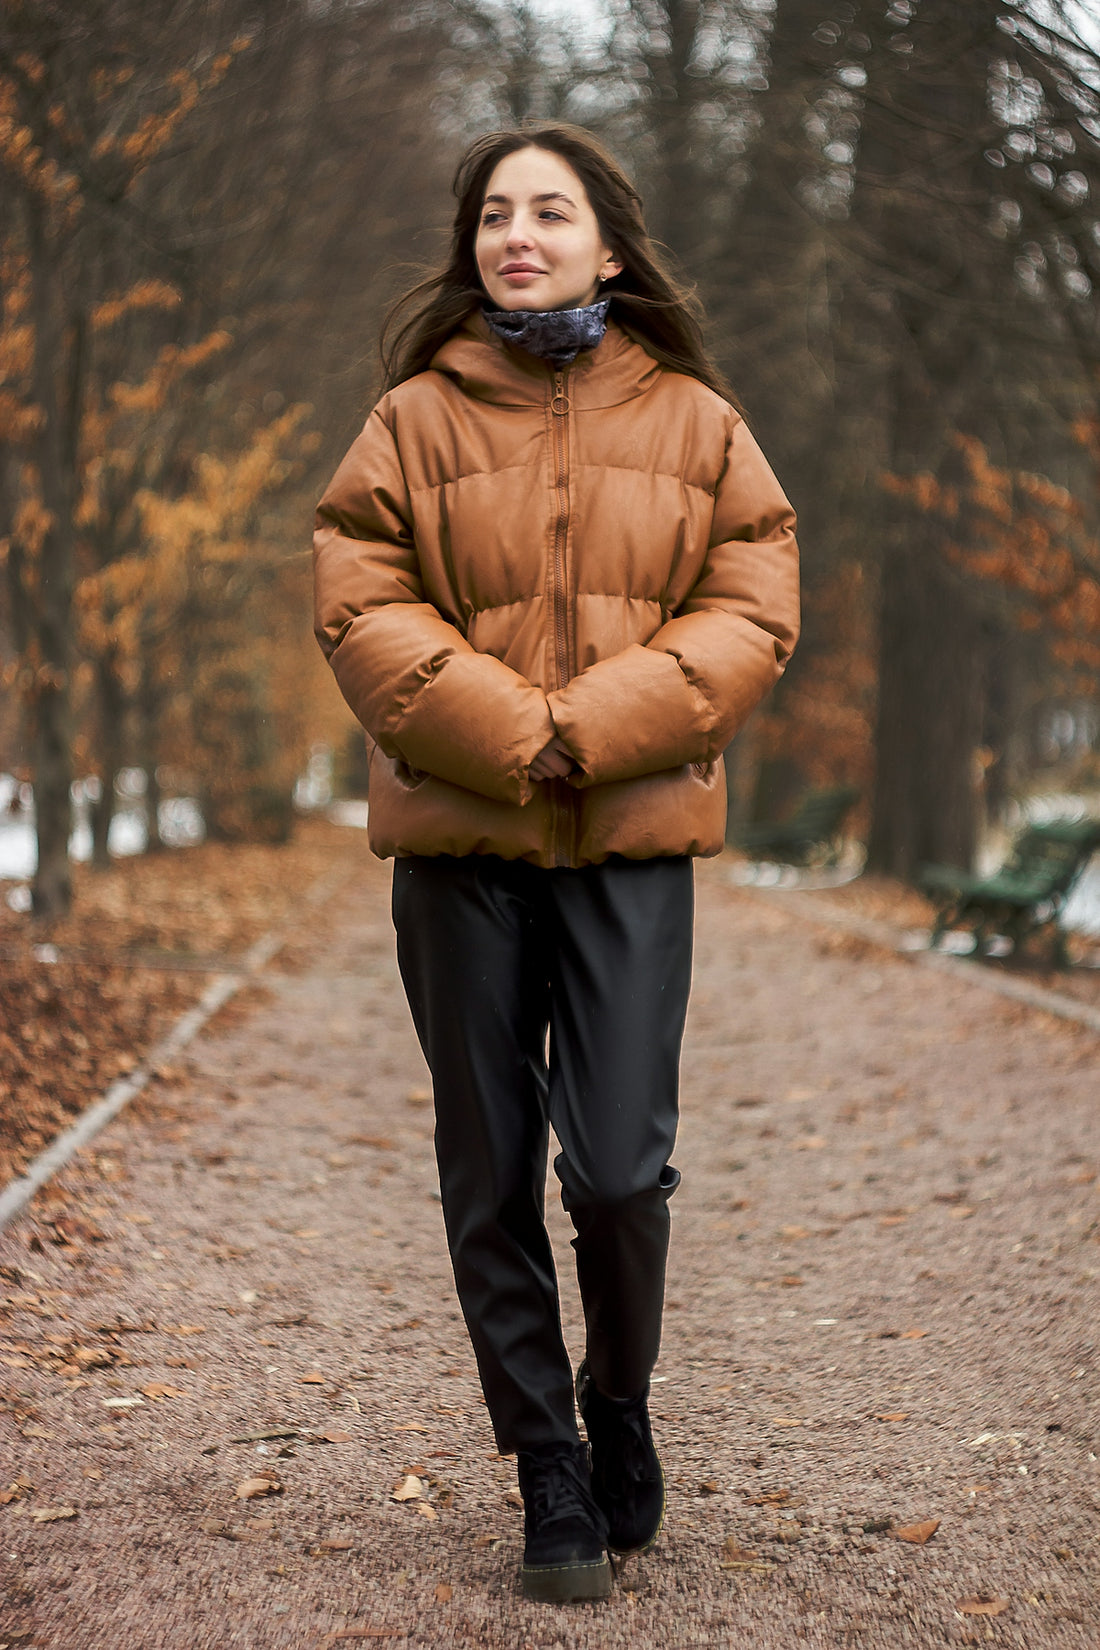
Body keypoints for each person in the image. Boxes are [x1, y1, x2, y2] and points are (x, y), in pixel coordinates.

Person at [313, 122, 799, 1603]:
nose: (517, 235)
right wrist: (511, 734)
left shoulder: (699, 421)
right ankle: (547, 1471)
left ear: (608, 241)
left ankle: (621, 1400)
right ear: (473, 245)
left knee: (621, 1173)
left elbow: (753, 601)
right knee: (489, 1172)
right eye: (494, 215)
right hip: (461, 844)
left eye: (550, 211)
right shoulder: (410, 418)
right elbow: (358, 593)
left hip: (631, 844)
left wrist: (585, 728)